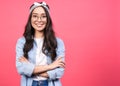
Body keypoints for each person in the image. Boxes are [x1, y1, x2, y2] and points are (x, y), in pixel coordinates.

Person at [16, 1, 65, 86]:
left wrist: (30, 68)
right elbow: (21, 68)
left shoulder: (58, 42)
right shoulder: (22, 42)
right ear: (30, 19)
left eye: (43, 16)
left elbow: (60, 71)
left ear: (48, 19)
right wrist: (51, 66)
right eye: (35, 16)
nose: (39, 20)